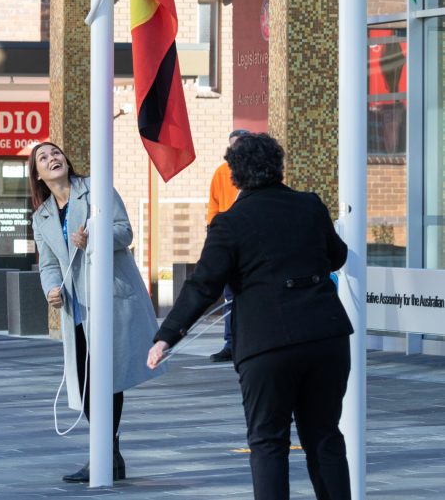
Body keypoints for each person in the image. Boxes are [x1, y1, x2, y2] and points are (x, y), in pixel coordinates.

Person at [148, 133, 352, 500]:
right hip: (326, 335)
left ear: (235, 175)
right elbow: (337, 256)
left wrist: (167, 335)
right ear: (278, 166)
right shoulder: (310, 205)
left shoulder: (230, 222)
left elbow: (203, 285)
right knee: (325, 436)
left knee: (268, 442)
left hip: (266, 344)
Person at [30, 142, 162, 483]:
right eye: (43, 158)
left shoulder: (95, 190)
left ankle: (103, 454)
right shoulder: (41, 215)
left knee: (108, 377)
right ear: (39, 175)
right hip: (76, 307)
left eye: (55, 153)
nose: (52, 159)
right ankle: (110, 454)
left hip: (108, 300)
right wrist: (51, 290)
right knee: (87, 382)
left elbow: (125, 232)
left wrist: (94, 238)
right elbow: (47, 264)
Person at [206, 128, 249, 363]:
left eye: (240, 145)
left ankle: (248, 342)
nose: (235, 150)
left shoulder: (257, 173)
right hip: (227, 243)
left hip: (250, 243)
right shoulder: (221, 173)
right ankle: (231, 344)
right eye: (232, 146)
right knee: (230, 296)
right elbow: (213, 205)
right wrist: (213, 233)